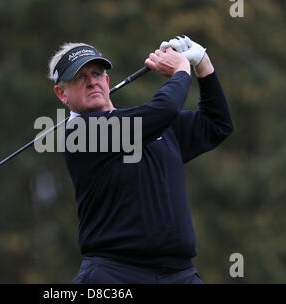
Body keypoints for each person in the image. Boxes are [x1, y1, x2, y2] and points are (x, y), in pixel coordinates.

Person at [48, 36, 233, 283]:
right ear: (62, 93)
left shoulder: (152, 124)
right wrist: (180, 71)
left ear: (107, 80)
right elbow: (164, 109)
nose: (91, 82)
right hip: (114, 275)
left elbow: (217, 125)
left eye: (96, 73)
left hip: (180, 275)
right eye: (79, 77)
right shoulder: (79, 134)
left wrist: (203, 64)